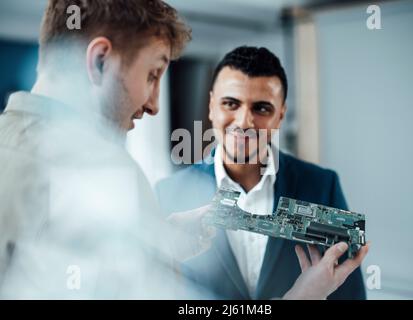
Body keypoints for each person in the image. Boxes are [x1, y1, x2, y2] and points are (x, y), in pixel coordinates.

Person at [0, 0, 366, 299]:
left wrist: (160, 246)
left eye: (262, 108)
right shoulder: (106, 176)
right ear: (99, 61)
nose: (154, 105)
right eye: (152, 75)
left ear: (282, 114)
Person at [156, 46, 369, 299]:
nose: (244, 121)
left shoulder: (323, 185)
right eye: (230, 103)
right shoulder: (167, 195)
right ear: (212, 106)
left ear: (280, 115)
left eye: (262, 108)